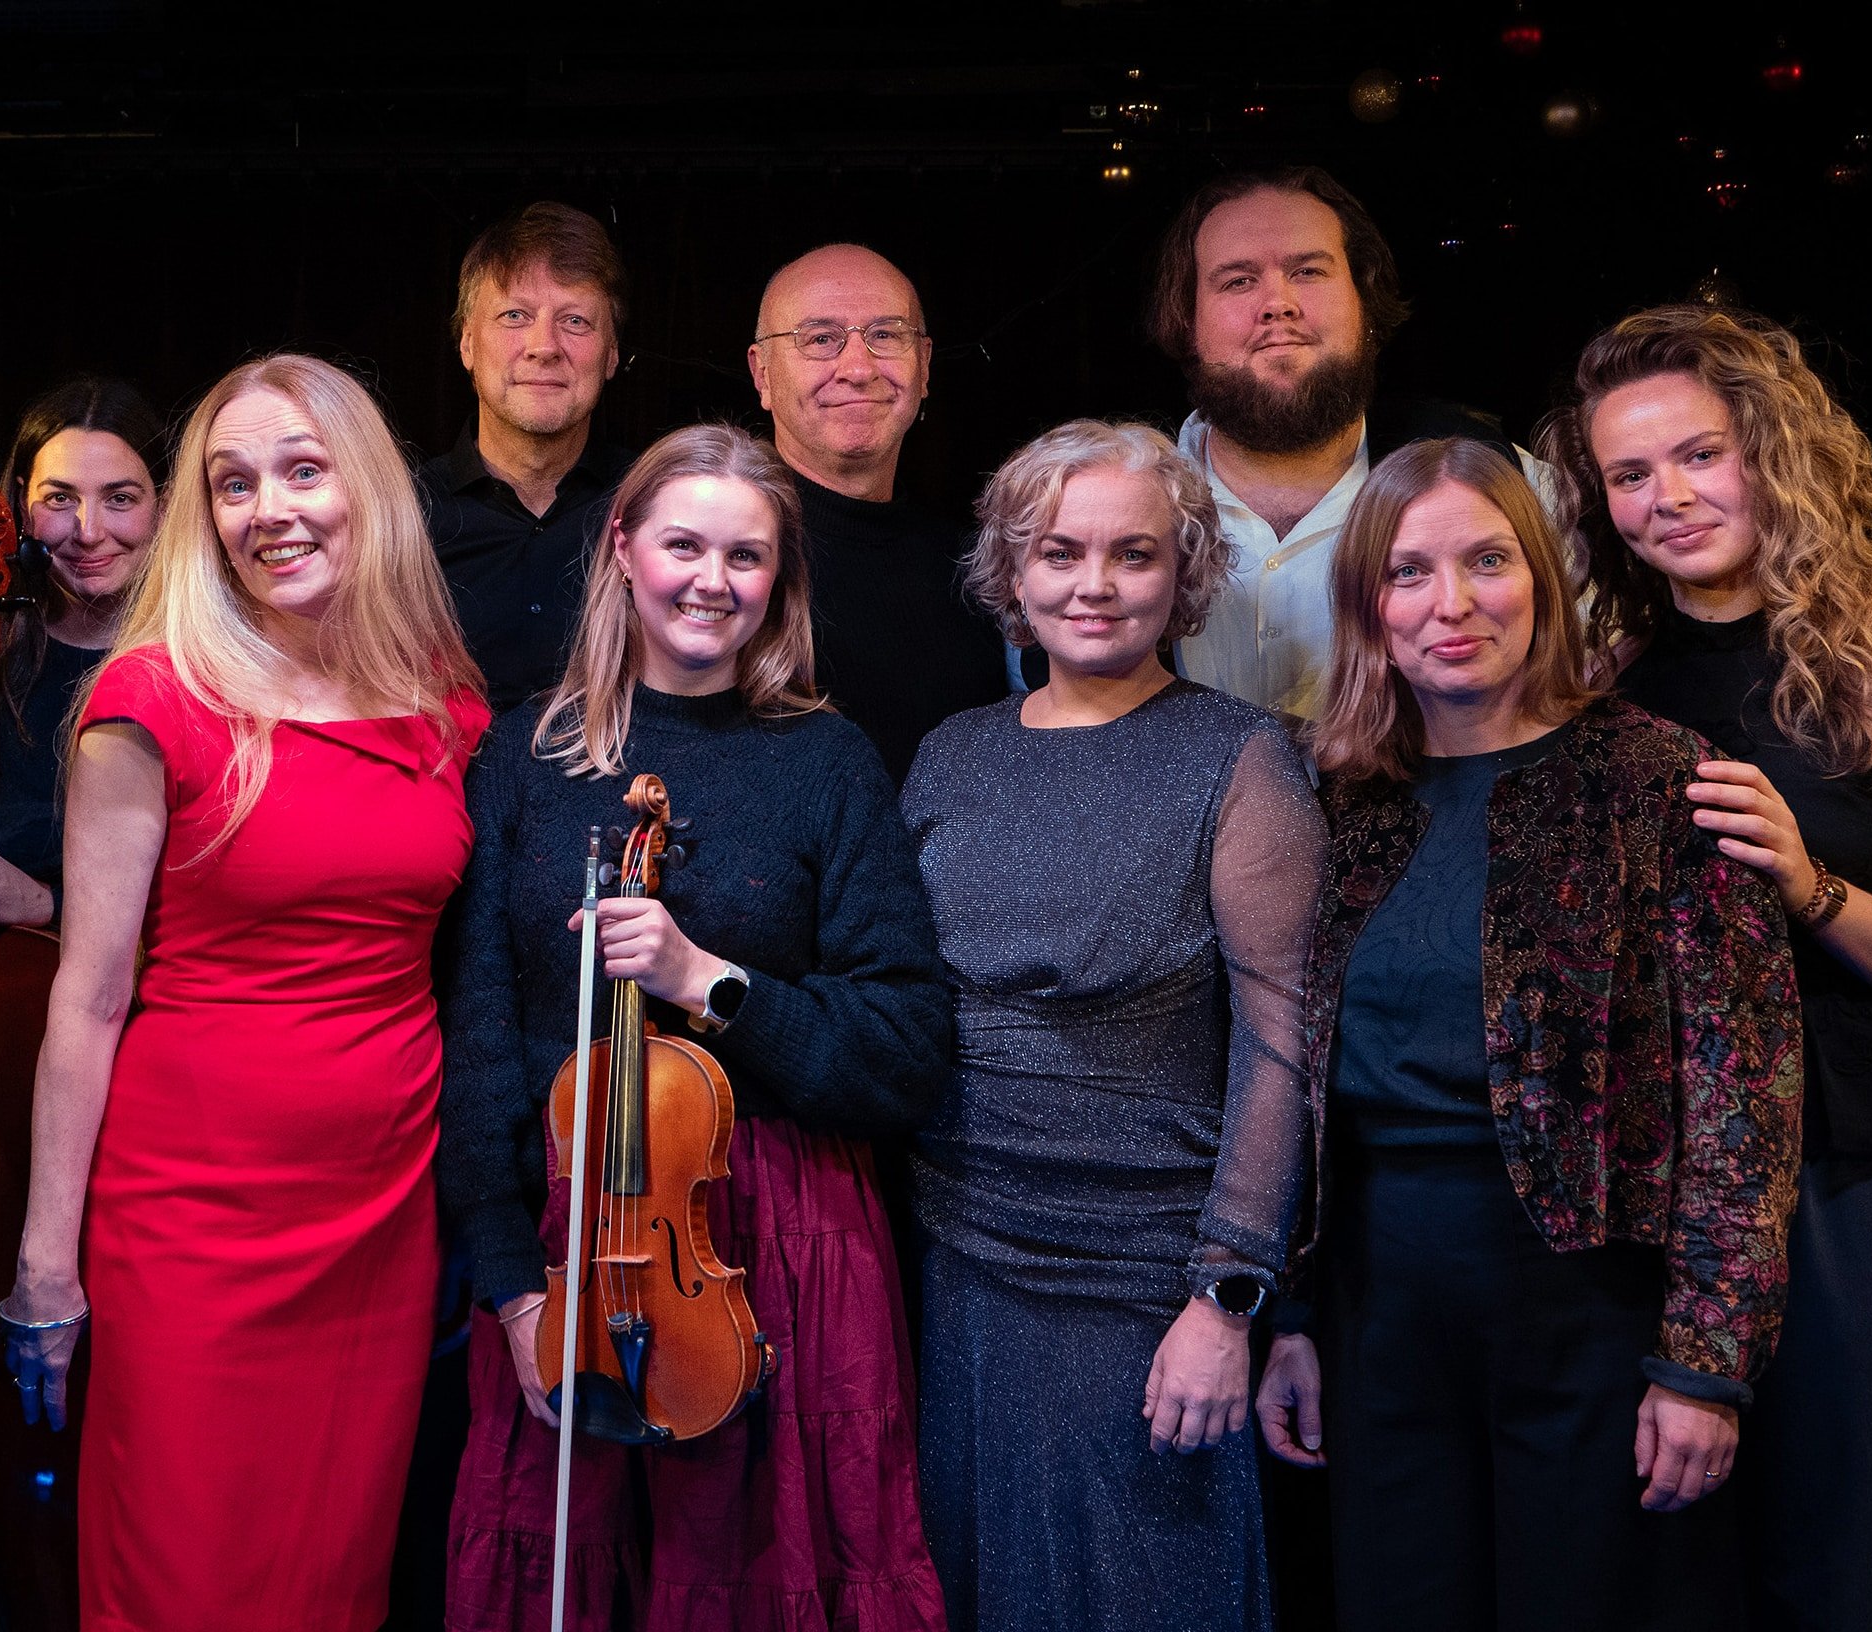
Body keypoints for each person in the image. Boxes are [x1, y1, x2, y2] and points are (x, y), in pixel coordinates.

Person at [1251, 437, 1803, 1632]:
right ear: (1369, 608)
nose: (1451, 605)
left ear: (1544, 580)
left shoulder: (1658, 780)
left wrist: (1707, 1362)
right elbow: (1294, 1086)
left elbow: (1744, 1099)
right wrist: (1291, 1320)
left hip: (1592, 1317)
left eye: (1488, 561)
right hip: (1378, 1312)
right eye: (1408, 573)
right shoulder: (1336, 796)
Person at [0, 353, 489, 1630]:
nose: (268, 508)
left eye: (302, 470)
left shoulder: (444, 708)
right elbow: (88, 1002)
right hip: (191, 1225)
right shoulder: (149, 699)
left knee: (333, 1583)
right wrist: (47, 1264)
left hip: (379, 1222)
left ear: (366, 489)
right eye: (231, 483)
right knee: (186, 1579)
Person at [436, 423, 954, 1629]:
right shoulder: (527, 755)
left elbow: (906, 1042)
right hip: (575, 1240)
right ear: (621, 548)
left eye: (747, 557)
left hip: (781, 1242)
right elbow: (478, 1036)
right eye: (683, 544)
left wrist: (709, 977)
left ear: (781, 580)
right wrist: (515, 1286)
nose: (711, 582)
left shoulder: (826, 763)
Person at [1540, 304, 1872, 1632]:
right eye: (1630, 475)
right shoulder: (1603, 689)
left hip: (1870, 1194)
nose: (1667, 499)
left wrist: (1815, 890)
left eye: (1700, 457)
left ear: (1774, 458)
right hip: (1666, 1219)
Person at [903, 420, 1325, 1631]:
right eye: (1059, 552)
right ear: (1010, 573)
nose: (1094, 585)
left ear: (1185, 575)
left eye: (1134, 555)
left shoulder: (1240, 759)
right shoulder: (949, 754)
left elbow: (1283, 1044)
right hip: (962, 1262)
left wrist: (1226, 1300)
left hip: (1147, 1285)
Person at [1146, 167, 1559, 720]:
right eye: (1238, 280)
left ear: (1364, 301)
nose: (1278, 304)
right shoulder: (1127, 508)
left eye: (1309, 271)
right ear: (1187, 319)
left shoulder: (1509, 485)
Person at [748, 243, 1010, 783]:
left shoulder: (977, 567)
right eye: (820, 339)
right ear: (763, 375)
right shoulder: (712, 562)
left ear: (925, 364)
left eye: (886, 335)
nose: (858, 368)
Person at [0, 377, 166, 929]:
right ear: (21, 507)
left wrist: (46, 903)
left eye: (120, 499)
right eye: (59, 498)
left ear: (163, 508)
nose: (88, 531)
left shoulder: (205, 671)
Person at [419, 201, 634, 715]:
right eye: (515, 316)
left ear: (610, 356)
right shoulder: (400, 515)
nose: (544, 346)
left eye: (576, 321)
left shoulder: (658, 505)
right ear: (467, 343)